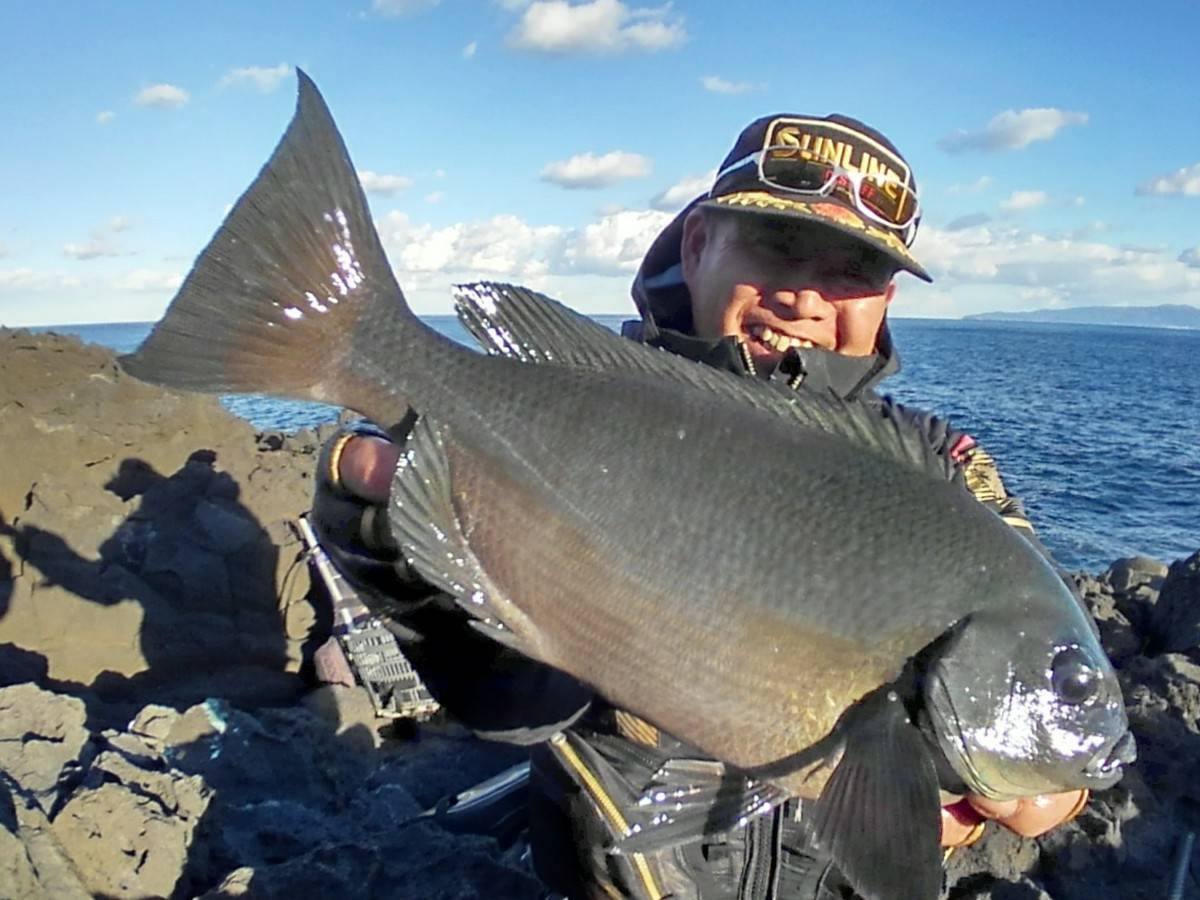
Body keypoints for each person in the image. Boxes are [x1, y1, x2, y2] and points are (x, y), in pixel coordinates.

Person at [311, 114, 1090, 899]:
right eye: (777, 246)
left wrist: (1048, 780)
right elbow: (515, 704)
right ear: (696, 246)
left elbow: (1031, 651)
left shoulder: (944, 476)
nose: (804, 295)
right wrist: (388, 542)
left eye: (853, 268)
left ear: (885, 299)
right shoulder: (601, 409)